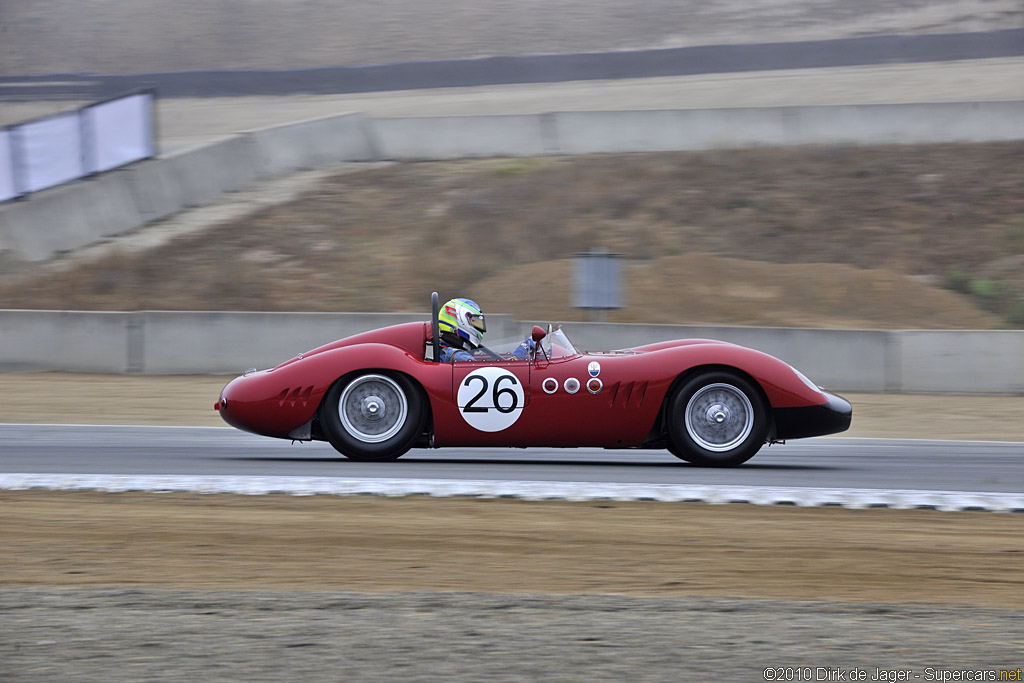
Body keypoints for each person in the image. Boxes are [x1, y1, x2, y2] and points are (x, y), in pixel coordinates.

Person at [437, 297, 534, 363]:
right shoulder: (458, 357)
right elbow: (495, 373)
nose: (479, 327)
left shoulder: (449, 351)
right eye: (475, 321)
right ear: (460, 320)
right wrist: (523, 349)